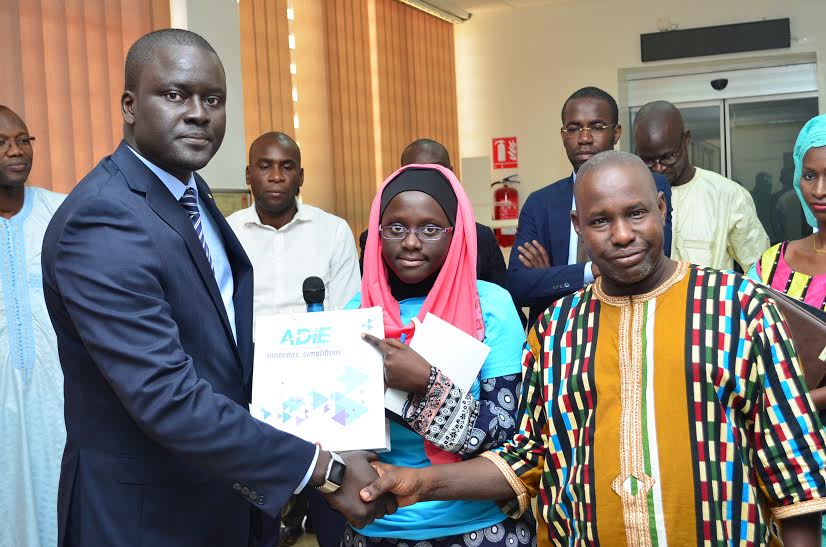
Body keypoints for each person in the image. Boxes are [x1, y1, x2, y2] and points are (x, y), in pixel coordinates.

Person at [362, 151, 826, 546]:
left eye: (637, 213)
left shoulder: (742, 308)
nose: (621, 235)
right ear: (577, 226)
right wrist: (420, 482)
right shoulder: (558, 327)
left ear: (663, 209)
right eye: (600, 220)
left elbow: (795, 475)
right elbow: (526, 457)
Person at [41, 29, 394, 547]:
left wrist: (328, 435)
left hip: (221, 495)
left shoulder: (188, 190)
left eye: (213, 99)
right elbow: (166, 395)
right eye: (175, 95)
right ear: (129, 105)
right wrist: (322, 468)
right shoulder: (102, 218)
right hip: (147, 514)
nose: (199, 113)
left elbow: (221, 353)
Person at [348, 164, 534, 545]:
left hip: (475, 526)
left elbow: (508, 429)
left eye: (430, 229)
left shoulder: (491, 306)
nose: (411, 242)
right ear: (376, 234)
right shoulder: (356, 312)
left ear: (457, 233)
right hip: (376, 526)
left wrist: (426, 384)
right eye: (395, 228)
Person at [228, 131, 358, 546]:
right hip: (248, 386)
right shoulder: (226, 234)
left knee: (332, 507)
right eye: (265, 166)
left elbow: (347, 315)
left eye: (287, 167)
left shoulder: (332, 231)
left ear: (301, 176)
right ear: (249, 174)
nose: (276, 176)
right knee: (252, 511)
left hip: (321, 387)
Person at [508, 87, 673, 327]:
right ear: (563, 135)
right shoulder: (540, 203)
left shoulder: (648, 184)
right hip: (560, 333)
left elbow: (647, 264)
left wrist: (552, 276)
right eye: (573, 129)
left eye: (596, 127)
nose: (584, 138)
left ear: (616, 133)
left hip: (631, 324)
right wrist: (591, 270)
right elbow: (519, 285)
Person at [0, 105, 65, 547]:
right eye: (2, 143)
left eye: (23, 140)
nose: (16, 151)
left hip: (58, 392)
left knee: (59, 494)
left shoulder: (61, 214)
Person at [634, 100, 768, 272]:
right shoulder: (630, 196)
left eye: (668, 157)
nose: (659, 168)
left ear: (686, 140)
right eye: (648, 160)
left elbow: (760, 272)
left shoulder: (728, 196)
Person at [358, 138, 507, 289]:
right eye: (415, 171)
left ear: (451, 173)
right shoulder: (376, 239)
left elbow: (505, 304)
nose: (411, 243)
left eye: (436, 171)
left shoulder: (479, 238)